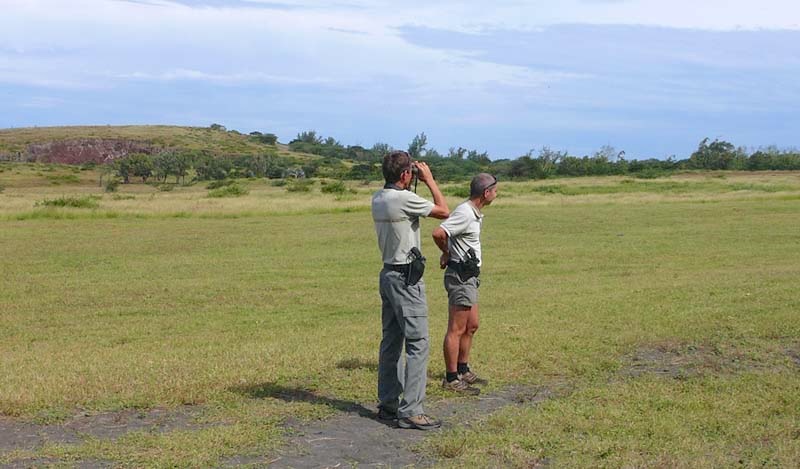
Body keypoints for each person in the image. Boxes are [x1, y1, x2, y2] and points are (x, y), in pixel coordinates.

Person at [371, 150, 449, 430]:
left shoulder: (378, 198)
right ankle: (412, 411)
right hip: (406, 278)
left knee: (391, 341)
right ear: (406, 174)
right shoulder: (403, 199)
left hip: (388, 274)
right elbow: (443, 211)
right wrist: (429, 180)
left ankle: (388, 404)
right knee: (418, 342)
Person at [432, 173, 498, 394]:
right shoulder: (465, 213)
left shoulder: (474, 213)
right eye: (495, 190)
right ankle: (451, 378)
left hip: (470, 276)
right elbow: (439, 233)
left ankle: (463, 369)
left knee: (472, 326)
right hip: (460, 277)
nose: (496, 194)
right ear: (486, 192)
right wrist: (447, 253)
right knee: (457, 329)